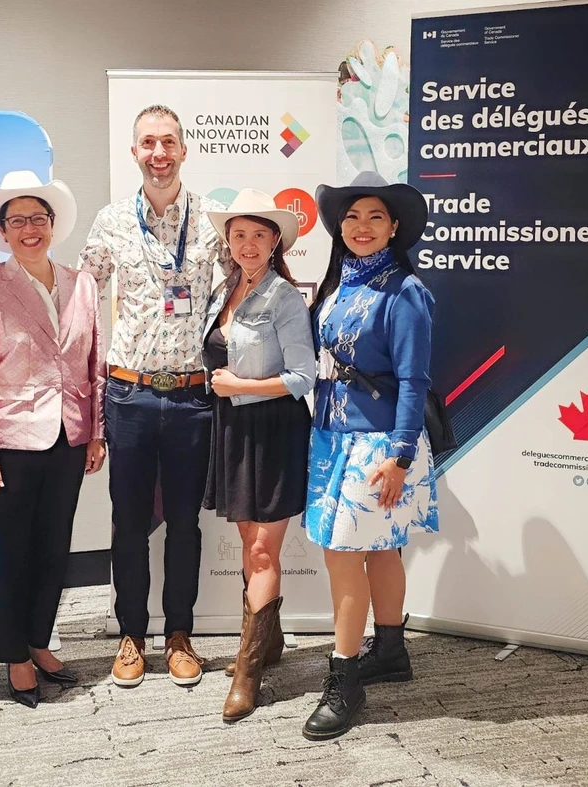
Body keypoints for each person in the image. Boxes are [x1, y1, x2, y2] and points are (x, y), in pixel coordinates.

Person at [79, 104, 232, 688]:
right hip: (131, 396)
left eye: (168, 142)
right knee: (128, 523)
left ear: (184, 150)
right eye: (148, 144)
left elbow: (237, 295)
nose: (159, 153)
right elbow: (79, 298)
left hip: (194, 397)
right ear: (135, 152)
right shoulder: (112, 220)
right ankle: (131, 636)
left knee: (187, 524)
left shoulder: (212, 224)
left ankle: (179, 634)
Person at [0, 171, 106, 709]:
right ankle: (14, 655)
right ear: (2, 230)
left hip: (69, 437)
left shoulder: (81, 283)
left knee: (53, 549)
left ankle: (40, 640)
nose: (29, 229)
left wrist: (96, 432)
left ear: (52, 225)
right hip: (10, 445)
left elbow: (95, 365)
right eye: (17, 220)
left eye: (38, 219)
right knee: (8, 553)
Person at [301, 171, 439, 742]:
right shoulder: (336, 286)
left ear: (395, 227)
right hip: (332, 436)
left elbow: (414, 380)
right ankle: (391, 650)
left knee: (343, 556)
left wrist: (400, 456)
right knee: (381, 552)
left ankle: (345, 680)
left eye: (375, 217)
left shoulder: (405, 292)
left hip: (380, 446)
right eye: (352, 217)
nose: (361, 227)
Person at [200, 189, 315, 721]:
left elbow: (302, 377)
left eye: (258, 235)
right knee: (250, 544)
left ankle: (248, 674)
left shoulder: (285, 298)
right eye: (238, 234)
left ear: (276, 242)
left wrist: (237, 388)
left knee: (264, 552)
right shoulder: (225, 290)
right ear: (229, 241)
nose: (247, 244)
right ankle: (268, 643)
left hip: (272, 429)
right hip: (233, 428)